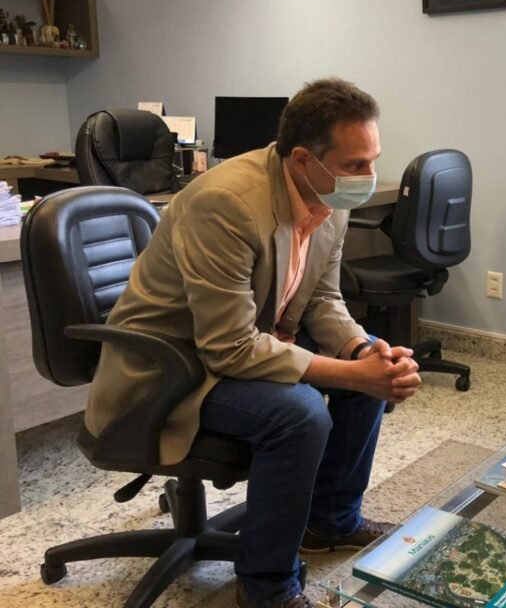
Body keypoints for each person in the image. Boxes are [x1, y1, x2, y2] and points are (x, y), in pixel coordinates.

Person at [85, 78, 423, 608]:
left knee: (366, 368)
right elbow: (228, 348)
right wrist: (351, 373)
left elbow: (322, 299)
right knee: (301, 415)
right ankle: (266, 588)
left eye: (373, 161)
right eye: (356, 164)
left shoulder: (329, 195)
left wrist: (363, 353)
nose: (368, 176)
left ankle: (330, 522)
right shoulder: (225, 203)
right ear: (304, 159)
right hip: (172, 366)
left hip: (243, 339)